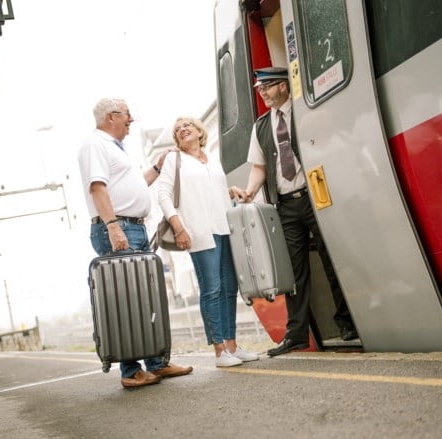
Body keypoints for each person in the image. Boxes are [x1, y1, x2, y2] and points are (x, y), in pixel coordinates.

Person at [230, 67, 358, 357]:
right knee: (295, 271)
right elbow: (260, 167)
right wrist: (250, 192)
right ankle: (296, 335)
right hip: (285, 204)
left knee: (332, 259)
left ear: (284, 87)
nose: (261, 92)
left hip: (317, 196)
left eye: (267, 87)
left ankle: (348, 322)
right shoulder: (262, 125)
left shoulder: (306, 112)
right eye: (258, 88)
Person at [78, 97, 193, 388]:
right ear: (111, 116)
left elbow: (133, 186)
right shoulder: (96, 145)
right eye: (128, 114)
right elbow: (97, 188)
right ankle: (130, 370)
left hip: (134, 228)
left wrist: (157, 167)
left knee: (145, 298)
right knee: (126, 300)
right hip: (119, 228)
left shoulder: (116, 149)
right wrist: (114, 227)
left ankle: (157, 363)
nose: (131, 120)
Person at [156, 116, 259, 367]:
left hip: (224, 227)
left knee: (229, 288)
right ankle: (219, 350)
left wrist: (229, 191)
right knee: (211, 289)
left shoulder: (211, 158)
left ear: (199, 131)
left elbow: (208, 191)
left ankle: (232, 345)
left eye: (186, 126)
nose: (182, 130)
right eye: (177, 129)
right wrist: (179, 228)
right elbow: (162, 195)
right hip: (198, 232)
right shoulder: (174, 159)